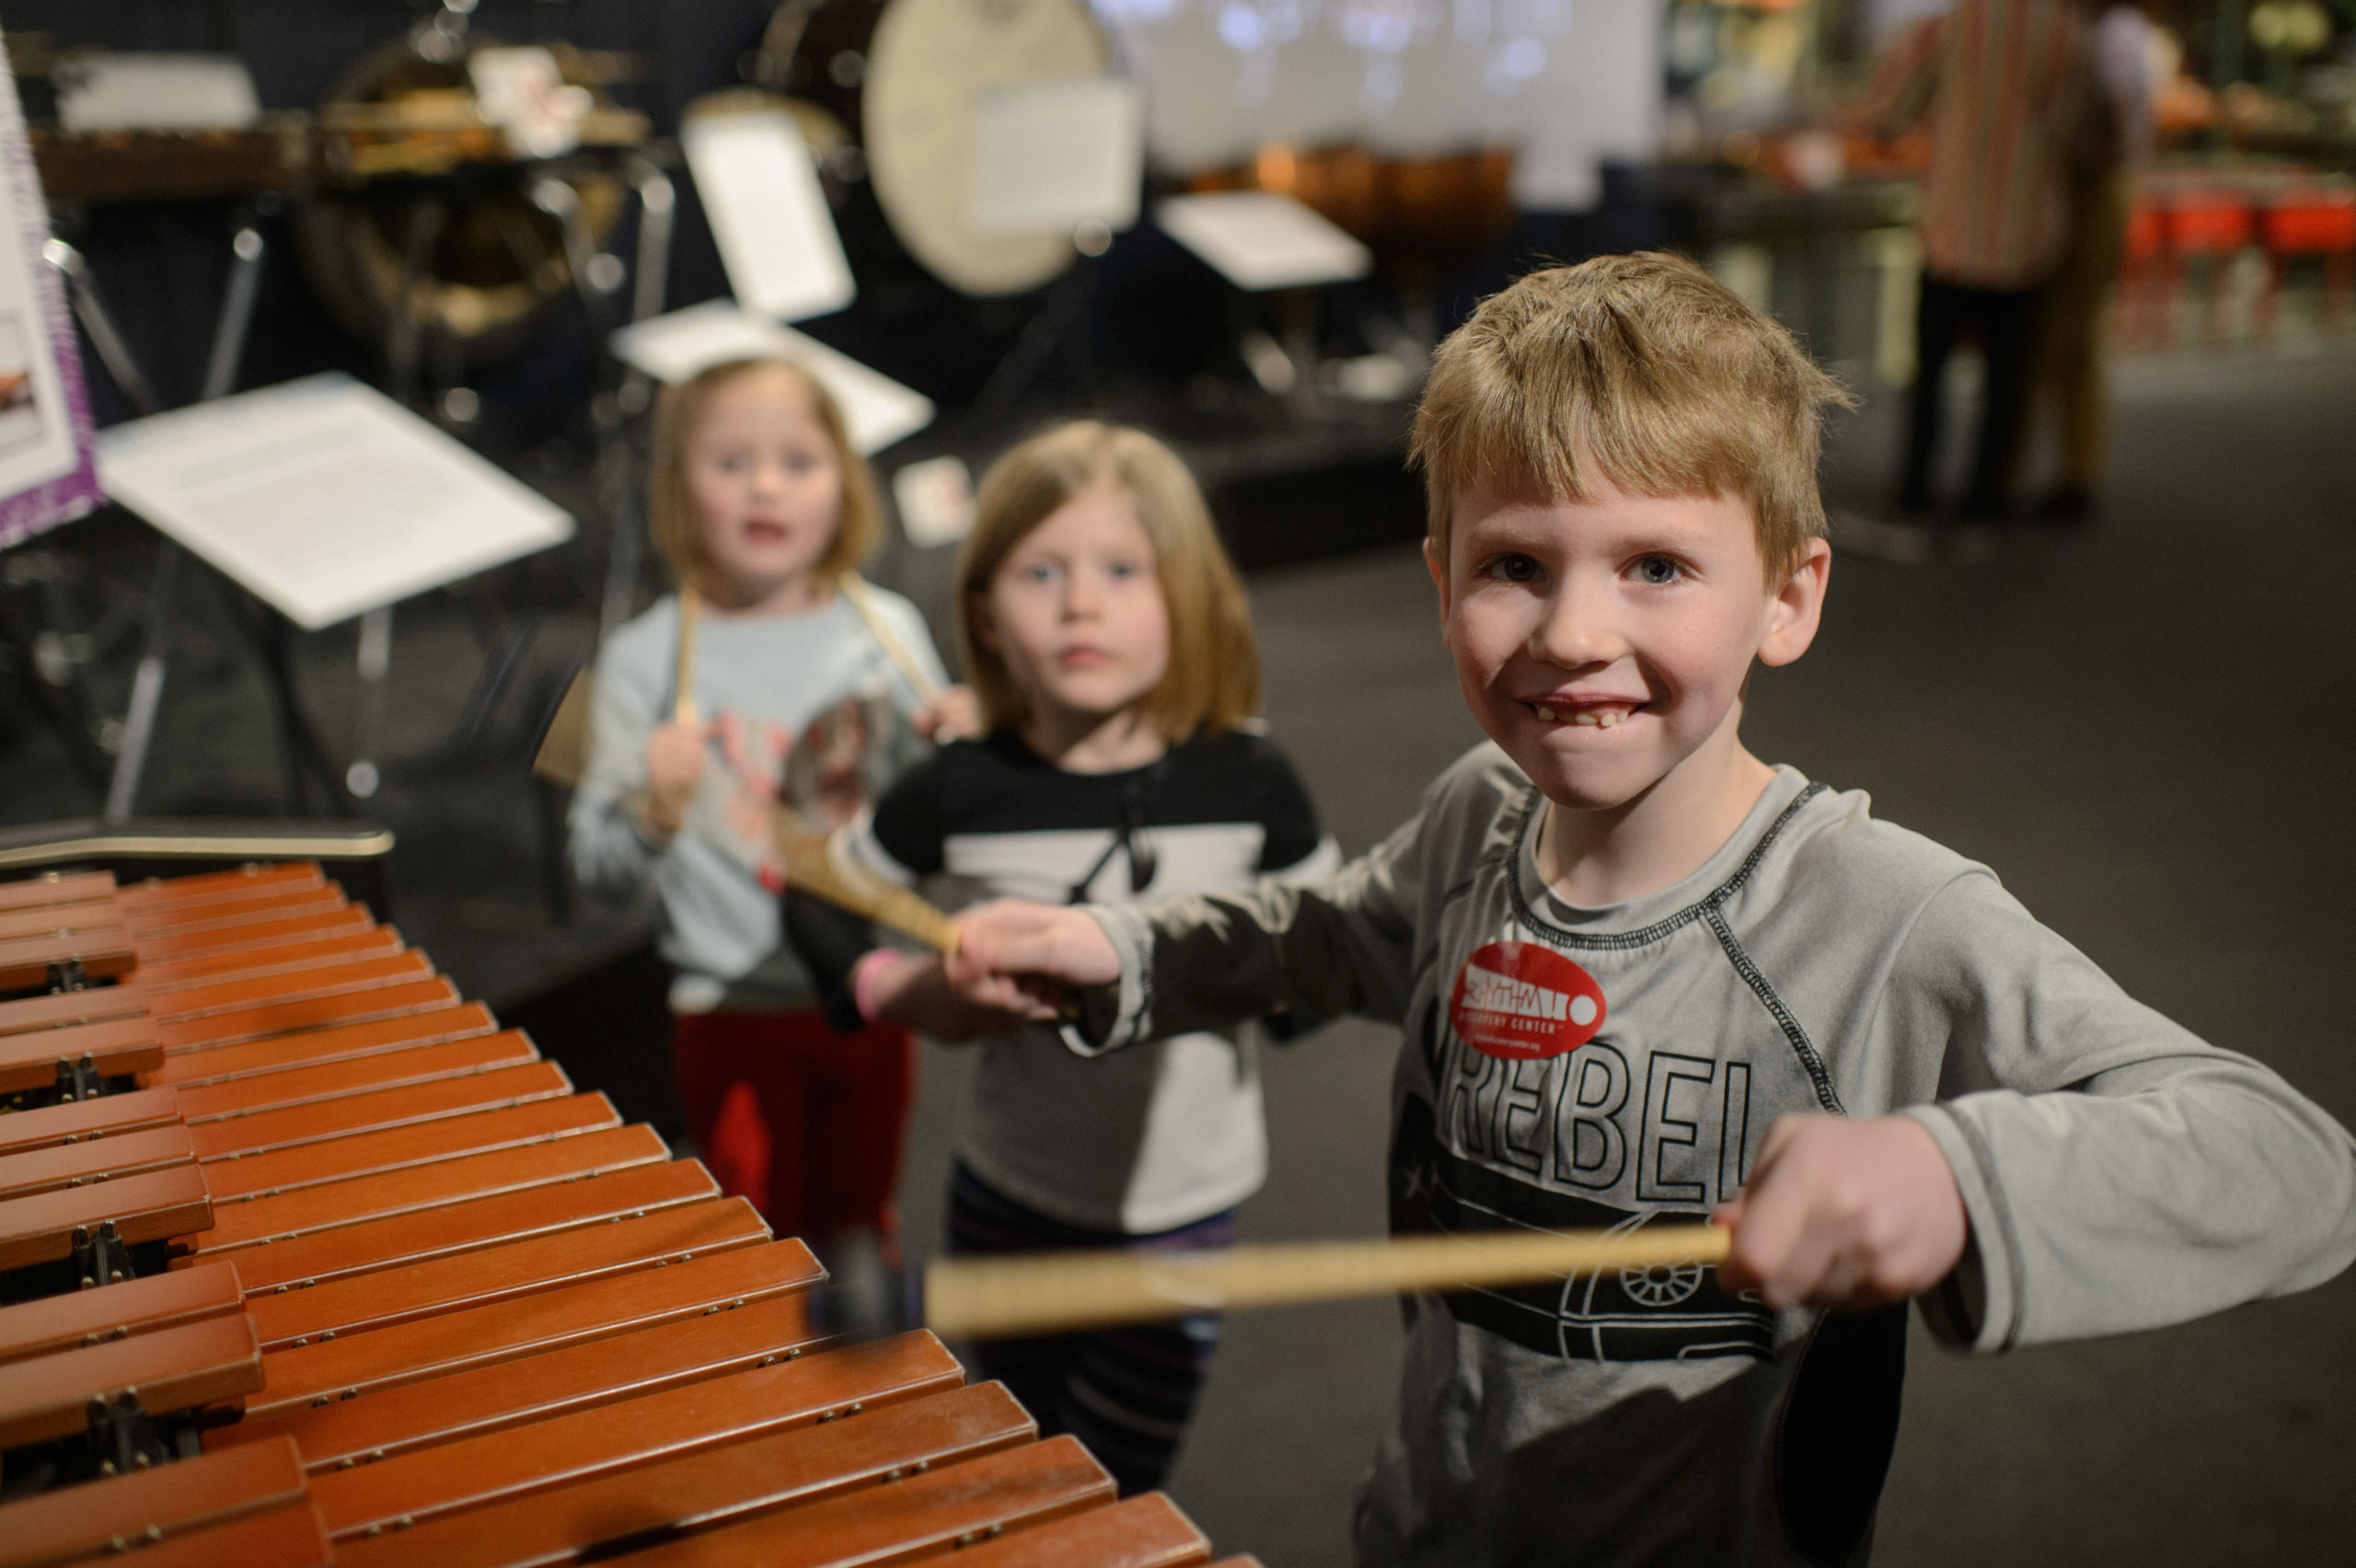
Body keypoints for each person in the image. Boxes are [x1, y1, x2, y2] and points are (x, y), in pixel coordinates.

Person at [932, 256, 2356, 1564]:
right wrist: (1121, 951)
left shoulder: (1886, 921)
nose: (1571, 634)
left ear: (1788, 599)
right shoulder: (1477, 816)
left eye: (1657, 567)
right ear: (1441, 586)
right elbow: (1335, 936)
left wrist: (1953, 1176)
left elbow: (2291, 1162)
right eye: (1513, 566)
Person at [794, 421, 1338, 1494]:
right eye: (1043, 572)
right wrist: (899, 989)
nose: (1081, 602)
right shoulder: (962, 785)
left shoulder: (1248, 778)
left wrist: (1256, 977)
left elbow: (1326, 958)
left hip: (1184, 1206)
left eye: (1122, 571)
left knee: (1112, 1480)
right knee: (1018, 1458)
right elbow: (819, 902)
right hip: (1010, 1194)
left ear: (1187, 602)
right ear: (987, 614)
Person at [568, 355, 970, 1323]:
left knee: (858, 1233)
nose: (765, 485)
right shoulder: (633, 662)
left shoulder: (892, 630)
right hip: (730, 1013)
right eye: (730, 461)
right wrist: (651, 811)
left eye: (797, 459)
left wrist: (968, 764)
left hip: (874, 1004)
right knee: (753, 1248)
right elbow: (593, 877)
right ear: (676, 489)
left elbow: (945, 843)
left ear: (843, 480)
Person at [1855, 0, 2096, 521]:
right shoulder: (2068, 38)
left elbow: (1888, 110)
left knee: (1930, 376)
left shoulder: (1949, 26)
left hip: (1951, 228)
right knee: (2007, 385)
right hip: (2028, 235)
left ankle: (1915, 488)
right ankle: (1986, 497)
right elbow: (2077, 137)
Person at [2027, 0, 2160, 519]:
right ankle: (2066, 467)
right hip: (2090, 185)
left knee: (2074, 332)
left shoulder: (2112, 35)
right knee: (2067, 332)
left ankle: (2075, 473)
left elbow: (2113, 115)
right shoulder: (2106, 32)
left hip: (2093, 187)